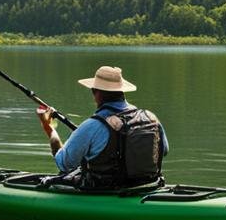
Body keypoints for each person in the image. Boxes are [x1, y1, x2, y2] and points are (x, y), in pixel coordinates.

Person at [36, 65, 169, 190]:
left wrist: (48, 127)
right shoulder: (151, 118)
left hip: (106, 191)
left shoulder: (92, 126)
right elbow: (164, 151)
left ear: (96, 93)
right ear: (122, 92)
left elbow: (63, 163)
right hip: (149, 186)